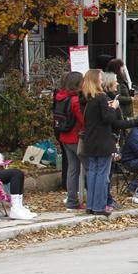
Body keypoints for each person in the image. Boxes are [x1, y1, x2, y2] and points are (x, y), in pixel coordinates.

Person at [82, 71, 138, 215]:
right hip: (103, 141)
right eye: (101, 78)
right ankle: (99, 207)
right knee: (102, 175)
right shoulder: (101, 97)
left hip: (90, 140)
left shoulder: (88, 98)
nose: (102, 80)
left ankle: (91, 205)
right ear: (96, 80)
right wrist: (113, 107)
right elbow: (108, 118)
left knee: (93, 173)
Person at [54, 71, 86, 210]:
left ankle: (72, 201)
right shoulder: (75, 100)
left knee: (72, 169)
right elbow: (83, 120)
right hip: (76, 137)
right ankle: (91, 199)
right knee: (89, 168)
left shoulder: (60, 96)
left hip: (64, 136)